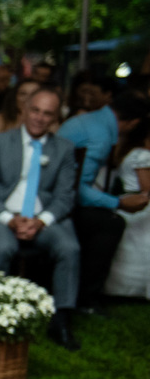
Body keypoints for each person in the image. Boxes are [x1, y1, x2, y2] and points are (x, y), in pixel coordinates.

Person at [0, 88, 81, 349]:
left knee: (69, 248)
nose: (39, 118)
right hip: (2, 215)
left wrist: (41, 221)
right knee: (2, 247)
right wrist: (9, 219)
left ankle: (62, 319)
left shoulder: (65, 149)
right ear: (24, 110)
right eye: (35, 110)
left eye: (48, 114)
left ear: (56, 118)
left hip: (42, 217)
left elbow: (65, 196)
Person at [58, 92, 150, 313]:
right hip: (59, 201)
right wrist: (118, 202)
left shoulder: (93, 120)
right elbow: (77, 190)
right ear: (133, 123)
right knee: (111, 223)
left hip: (57, 194)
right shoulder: (99, 135)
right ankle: (86, 298)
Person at [105, 117, 150, 298]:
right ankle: (130, 290)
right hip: (139, 204)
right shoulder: (143, 156)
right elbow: (147, 188)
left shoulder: (131, 151)